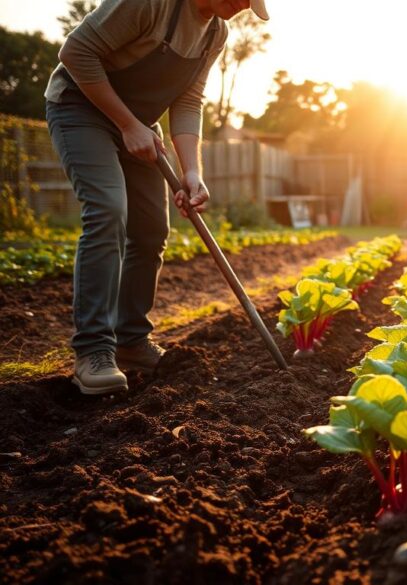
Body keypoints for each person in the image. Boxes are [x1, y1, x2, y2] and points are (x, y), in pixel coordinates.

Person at [45, 0, 270, 395]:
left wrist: (192, 172)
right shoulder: (152, 3)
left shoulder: (215, 33)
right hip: (81, 109)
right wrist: (128, 124)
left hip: (140, 126)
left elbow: (188, 100)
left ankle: (131, 340)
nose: (242, 6)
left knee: (151, 230)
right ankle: (93, 351)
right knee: (109, 211)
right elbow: (75, 52)